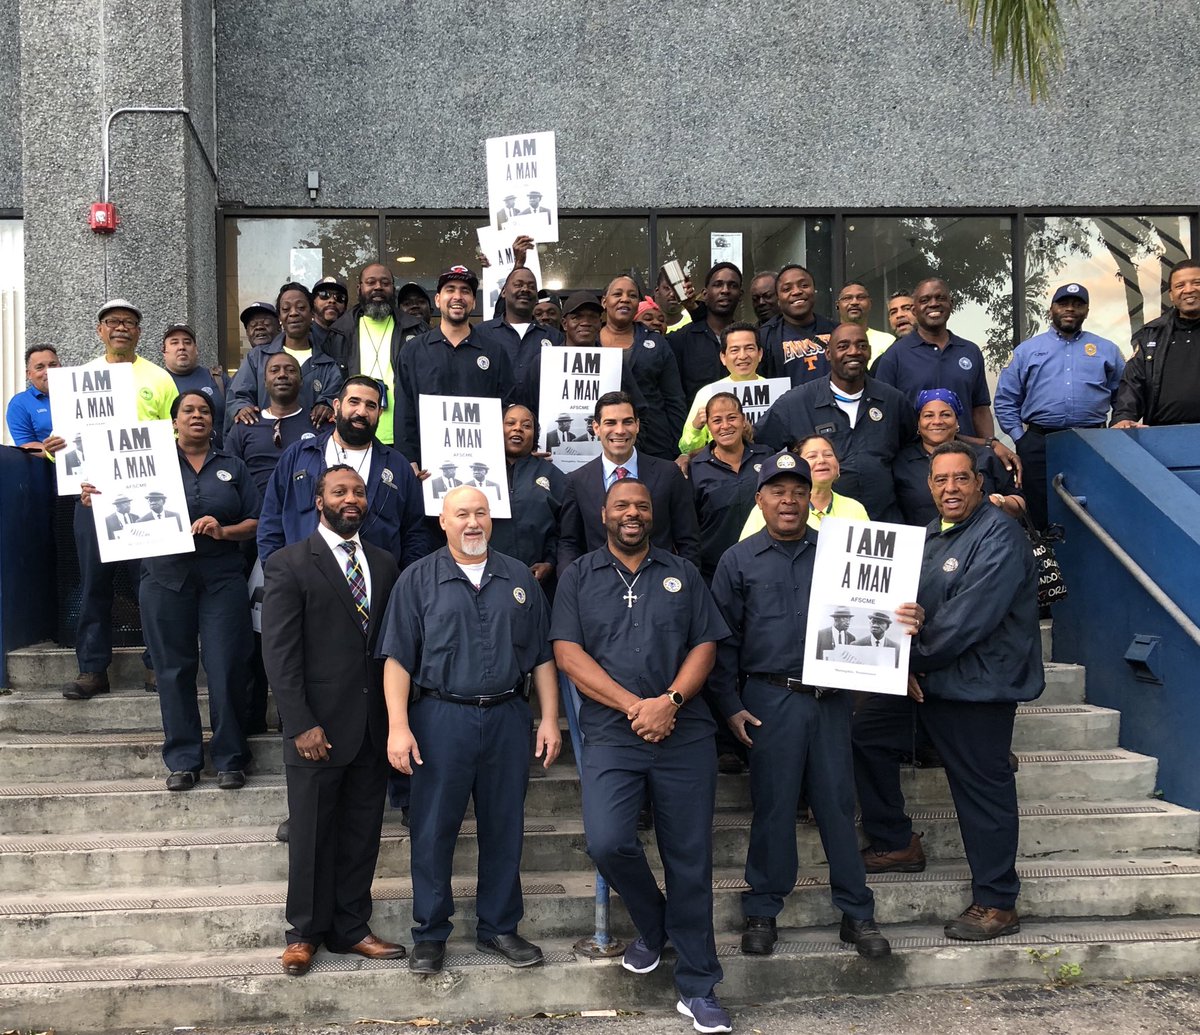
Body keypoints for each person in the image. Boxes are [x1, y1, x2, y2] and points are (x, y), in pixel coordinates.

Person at [709, 451, 909, 961]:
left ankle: (857, 914)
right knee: (773, 807)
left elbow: (874, 618)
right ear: (761, 500)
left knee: (839, 807)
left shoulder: (842, 555)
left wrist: (905, 620)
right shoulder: (738, 560)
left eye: (798, 490)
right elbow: (721, 643)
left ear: (810, 498)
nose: (788, 500)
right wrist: (730, 705)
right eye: (777, 491)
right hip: (769, 698)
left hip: (831, 699)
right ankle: (762, 909)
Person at [551, 477, 732, 1035]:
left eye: (642, 506)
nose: (633, 513)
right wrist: (637, 707)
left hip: (685, 735)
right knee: (607, 841)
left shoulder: (682, 572)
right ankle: (654, 924)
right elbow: (566, 651)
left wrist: (671, 701)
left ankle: (700, 986)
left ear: (654, 515)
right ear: (603, 513)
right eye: (622, 505)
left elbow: (706, 644)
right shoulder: (578, 576)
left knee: (689, 860)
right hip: (612, 733)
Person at [852, 441, 1044, 941]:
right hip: (929, 681)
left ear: (981, 483)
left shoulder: (998, 536)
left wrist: (908, 659)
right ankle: (897, 841)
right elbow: (907, 609)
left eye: (961, 478)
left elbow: (964, 623)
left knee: (982, 791)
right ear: (929, 485)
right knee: (865, 732)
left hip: (978, 689)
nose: (950, 488)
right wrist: (902, 649)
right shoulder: (933, 536)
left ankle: (998, 901)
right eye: (941, 480)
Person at [380, 486, 561, 975]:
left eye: (481, 512)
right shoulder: (417, 580)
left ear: (492, 518)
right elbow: (397, 659)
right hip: (441, 719)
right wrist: (399, 727)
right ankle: (430, 933)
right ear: (444, 521)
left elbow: (542, 655)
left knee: (505, 826)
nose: (473, 522)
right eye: (462, 513)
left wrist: (548, 718)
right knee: (433, 827)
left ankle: (499, 926)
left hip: (507, 717)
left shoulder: (518, 577)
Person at [261, 465, 406, 976]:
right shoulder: (290, 564)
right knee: (311, 834)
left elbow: (391, 650)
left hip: (371, 726)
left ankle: (351, 927)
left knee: (362, 832)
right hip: (316, 729)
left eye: (359, 492)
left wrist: (395, 719)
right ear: (318, 501)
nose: (352, 499)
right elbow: (279, 653)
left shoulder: (386, 564)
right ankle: (304, 932)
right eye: (340, 491)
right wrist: (300, 722)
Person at [88, 389, 257, 790]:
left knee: (226, 666)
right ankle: (183, 759)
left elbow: (256, 520)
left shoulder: (233, 466)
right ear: (173, 421)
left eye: (204, 411)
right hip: (165, 578)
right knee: (172, 669)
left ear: (214, 421)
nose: (197, 416)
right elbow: (115, 503)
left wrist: (224, 530)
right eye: (188, 410)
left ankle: (231, 757)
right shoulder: (146, 465)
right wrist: (93, 497)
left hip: (222, 577)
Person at [54, 299, 178, 701]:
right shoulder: (80, 379)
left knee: (153, 584)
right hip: (93, 498)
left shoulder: (159, 379)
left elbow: (175, 437)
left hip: (147, 495)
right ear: (100, 331)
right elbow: (63, 444)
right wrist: (54, 450)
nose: (120, 328)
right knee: (94, 583)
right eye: (112, 322)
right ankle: (92, 669)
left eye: (128, 322)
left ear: (139, 333)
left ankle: (156, 665)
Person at [258, 376, 431, 569]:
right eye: (354, 402)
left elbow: (415, 532)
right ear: (337, 405)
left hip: (377, 587)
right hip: (302, 582)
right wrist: (277, 574)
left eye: (371, 406)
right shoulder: (298, 456)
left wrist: (406, 583)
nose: (362, 412)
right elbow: (270, 520)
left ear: (380, 413)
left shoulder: (398, 466)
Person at [755, 323, 916, 521]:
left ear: (870, 352)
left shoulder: (894, 401)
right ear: (828, 354)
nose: (854, 352)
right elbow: (758, 448)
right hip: (820, 525)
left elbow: (912, 450)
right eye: (843, 346)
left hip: (883, 524)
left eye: (861, 345)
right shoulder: (796, 403)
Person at [995, 283, 1121, 529]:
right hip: (1039, 442)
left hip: (1093, 440)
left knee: (1095, 504)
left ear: (1086, 310)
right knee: (1039, 507)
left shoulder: (1107, 350)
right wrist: (1021, 439)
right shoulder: (1027, 351)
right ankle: (1045, 561)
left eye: (1077, 304)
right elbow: (1005, 400)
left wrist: (1115, 430)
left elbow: (1124, 396)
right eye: (1063, 303)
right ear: (1051, 308)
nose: (1070, 309)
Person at [872, 278, 1020, 477]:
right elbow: (885, 416)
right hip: (914, 464)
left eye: (940, 298)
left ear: (951, 304)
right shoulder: (894, 356)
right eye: (925, 300)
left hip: (965, 460)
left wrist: (989, 445)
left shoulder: (970, 351)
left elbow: (980, 408)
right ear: (914, 310)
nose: (933, 303)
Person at [558, 391, 700, 570]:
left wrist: (685, 584)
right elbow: (569, 543)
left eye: (627, 422)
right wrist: (571, 586)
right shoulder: (576, 481)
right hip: (598, 588)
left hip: (659, 586)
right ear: (596, 427)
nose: (620, 430)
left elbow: (688, 540)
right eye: (610, 422)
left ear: (637, 425)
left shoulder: (669, 474)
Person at [393, 265, 517, 469]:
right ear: (437, 299)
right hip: (428, 468)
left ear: (473, 302)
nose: (457, 296)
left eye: (465, 291)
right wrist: (409, 460)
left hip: (483, 466)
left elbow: (508, 406)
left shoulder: (494, 352)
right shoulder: (413, 351)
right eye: (450, 289)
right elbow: (405, 411)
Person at [321, 263, 429, 448]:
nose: (378, 287)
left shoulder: (417, 330)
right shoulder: (339, 332)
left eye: (384, 283)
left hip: (405, 436)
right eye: (371, 282)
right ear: (360, 288)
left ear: (392, 289)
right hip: (352, 434)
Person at [895, 389, 1024, 527]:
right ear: (919, 423)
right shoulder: (901, 463)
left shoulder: (986, 457)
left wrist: (999, 501)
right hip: (925, 545)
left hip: (985, 542)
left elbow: (1020, 504)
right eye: (928, 415)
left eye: (945, 414)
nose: (937, 421)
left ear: (957, 422)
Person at [227, 283, 341, 433]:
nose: (293, 313)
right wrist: (241, 408)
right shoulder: (257, 358)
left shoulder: (328, 365)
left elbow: (335, 400)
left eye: (301, 307)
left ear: (312, 313)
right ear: (280, 317)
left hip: (310, 447)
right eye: (286, 309)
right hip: (264, 444)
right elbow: (237, 396)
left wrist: (327, 405)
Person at [599, 275, 687, 462]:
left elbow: (674, 398)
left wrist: (677, 447)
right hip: (600, 445)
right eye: (617, 294)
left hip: (655, 443)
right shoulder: (588, 343)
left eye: (632, 295)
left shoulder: (658, 343)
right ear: (604, 302)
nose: (625, 299)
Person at [688, 392, 772, 583]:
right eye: (717, 420)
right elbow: (690, 528)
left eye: (732, 418)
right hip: (715, 572)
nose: (725, 426)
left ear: (744, 421)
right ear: (708, 426)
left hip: (764, 564)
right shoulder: (695, 468)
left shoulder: (766, 457)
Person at [1112, 259, 1200, 429]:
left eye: (1197, 283)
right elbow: (1133, 382)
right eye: (1180, 285)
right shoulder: (1152, 334)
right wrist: (1124, 417)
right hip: (1163, 436)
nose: (1189, 290)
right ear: (1171, 295)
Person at [489, 404, 566, 591]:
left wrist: (550, 561)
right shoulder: (477, 471)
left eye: (526, 425)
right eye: (510, 423)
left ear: (535, 435)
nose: (518, 428)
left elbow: (566, 529)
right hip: (487, 580)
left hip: (537, 583)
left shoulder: (553, 476)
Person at [739, 434, 869, 539]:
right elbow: (747, 556)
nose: (821, 460)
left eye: (828, 454)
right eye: (812, 456)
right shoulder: (769, 507)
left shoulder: (855, 508)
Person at [225, 353, 314, 498]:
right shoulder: (245, 425)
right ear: (265, 382)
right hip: (257, 516)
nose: (282, 375)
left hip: (306, 515)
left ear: (301, 380)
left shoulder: (317, 424)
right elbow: (229, 475)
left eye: (290, 370)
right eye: (274, 370)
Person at [473, 258, 563, 397]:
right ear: (503, 292)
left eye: (531, 286)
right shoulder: (481, 333)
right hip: (495, 416)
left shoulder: (554, 337)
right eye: (518, 284)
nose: (525, 289)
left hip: (538, 417)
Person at [678, 322, 768, 455]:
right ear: (723, 357)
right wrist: (695, 427)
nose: (742, 356)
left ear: (759, 354)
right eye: (734, 350)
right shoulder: (707, 394)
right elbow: (686, 449)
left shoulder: (779, 392)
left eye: (749, 348)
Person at [668, 263, 744, 401]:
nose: (725, 290)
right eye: (718, 284)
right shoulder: (680, 340)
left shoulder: (750, 340)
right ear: (704, 294)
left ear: (740, 295)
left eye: (733, 285)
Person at [760, 264, 838, 387]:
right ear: (778, 300)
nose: (796, 292)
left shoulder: (836, 330)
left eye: (804, 285)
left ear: (814, 290)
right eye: (787, 289)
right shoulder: (765, 337)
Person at [161, 323, 228, 444]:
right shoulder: (155, 383)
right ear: (164, 352)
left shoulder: (218, 379)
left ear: (196, 349)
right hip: (172, 459)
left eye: (187, 342)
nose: (182, 347)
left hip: (219, 459)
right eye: (174, 342)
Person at [7, 344, 59, 450]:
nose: (48, 371)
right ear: (29, 374)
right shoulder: (20, 403)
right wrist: (51, 450)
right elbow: (26, 444)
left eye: (53, 365)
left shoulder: (80, 394)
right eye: (40, 367)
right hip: (48, 465)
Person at [836, 281, 895, 363]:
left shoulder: (888, 341)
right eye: (847, 298)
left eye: (860, 297)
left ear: (870, 303)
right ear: (837, 305)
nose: (854, 302)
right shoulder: (829, 340)